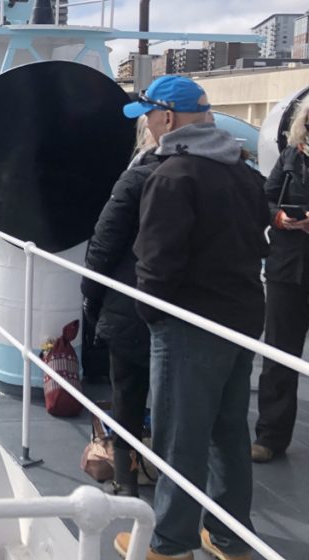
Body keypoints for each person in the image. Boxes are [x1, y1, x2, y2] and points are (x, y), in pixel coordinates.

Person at [113, 76, 270, 560]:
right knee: (227, 430)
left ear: (166, 118)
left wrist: (151, 315)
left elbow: (156, 263)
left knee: (178, 435)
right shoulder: (244, 171)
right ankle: (230, 536)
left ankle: (171, 542)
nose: (145, 128)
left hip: (187, 324)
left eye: (147, 118)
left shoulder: (172, 174)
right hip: (240, 319)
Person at [81, 116, 159, 496]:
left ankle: (127, 481)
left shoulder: (137, 177)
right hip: (194, 314)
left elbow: (104, 244)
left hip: (131, 305)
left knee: (128, 394)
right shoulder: (231, 173)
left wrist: (89, 296)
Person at [253, 95, 309, 464]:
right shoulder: (292, 157)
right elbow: (264, 200)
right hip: (289, 269)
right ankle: (270, 437)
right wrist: (280, 219)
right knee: (279, 355)